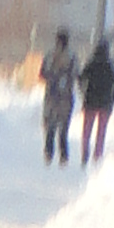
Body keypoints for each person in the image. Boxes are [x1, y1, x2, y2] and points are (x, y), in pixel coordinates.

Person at [77, 28, 114, 163]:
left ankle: (85, 154)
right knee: (101, 132)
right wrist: (112, 98)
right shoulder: (110, 65)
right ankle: (97, 155)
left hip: (90, 102)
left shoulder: (91, 63)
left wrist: (83, 93)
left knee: (86, 131)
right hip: (105, 104)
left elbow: (81, 78)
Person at [39, 28, 76, 164]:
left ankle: (48, 153)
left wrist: (52, 77)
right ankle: (63, 155)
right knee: (64, 128)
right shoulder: (72, 57)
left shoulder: (50, 55)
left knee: (50, 126)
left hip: (51, 96)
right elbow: (76, 74)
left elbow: (42, 74)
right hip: (66, 97)